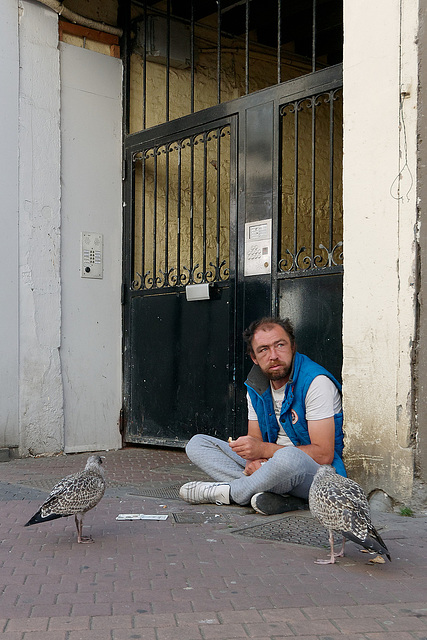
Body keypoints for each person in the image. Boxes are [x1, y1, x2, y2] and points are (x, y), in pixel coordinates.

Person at [179, 317, 346, 515]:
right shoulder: (255, 385)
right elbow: (255, 441)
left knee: (288, 458)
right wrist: (252, 462)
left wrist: (263, 451)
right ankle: (275, 496)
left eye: (280, 345)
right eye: (263, 349)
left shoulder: (316, 382)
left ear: (293, 346)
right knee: (198, 444)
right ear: (254, 358)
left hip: (316, 475)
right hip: (272, 464)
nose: (273, 355)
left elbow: (324, 455)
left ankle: (232, 493)